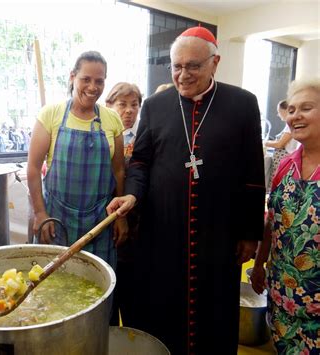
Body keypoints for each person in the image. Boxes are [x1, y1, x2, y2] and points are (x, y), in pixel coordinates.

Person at [106, 26, 266, 354]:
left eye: (193, 66)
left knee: (215, 306)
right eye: (176, 66)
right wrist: (133, 194)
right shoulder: (155, 105)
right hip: (164, 229)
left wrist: (250, 233)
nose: (183, 74)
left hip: (218, 232)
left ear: (214, 62)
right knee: (164, 303)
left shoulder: (243, 103)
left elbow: (253, 172)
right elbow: (139, 163)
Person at [27, 51, 127, 269]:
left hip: (100, 223)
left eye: (99, 81)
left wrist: (120, 217)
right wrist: (40, 212)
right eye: (86, 79)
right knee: (51, 286)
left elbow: (118, 171)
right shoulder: (51, 114)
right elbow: (33, 169)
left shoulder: (112, 119)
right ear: (72, 77)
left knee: (97, 287)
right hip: (56, 220)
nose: (93, 87)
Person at [251, 78, 320, 354]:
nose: (295, 116)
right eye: (291, 109)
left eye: (307, 107)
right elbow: (272, 221)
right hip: (283, 299)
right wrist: (258, 265)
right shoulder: (286, 166)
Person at [105, 82, 142, 326]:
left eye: (134, 105)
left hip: (137, 220)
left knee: (132, 284)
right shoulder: (103, 136)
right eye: (122, 105)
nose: (129, 111)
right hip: (107, 216)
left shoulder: (144, 137)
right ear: (109, 106)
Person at [265, 99, 299, 192]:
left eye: (279, 111)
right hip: (282, 159)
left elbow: (280, 144)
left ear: (286, 110)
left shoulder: (290, 124)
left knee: (279, 186)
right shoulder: (289, 124)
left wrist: (265, 143)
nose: (278, 114)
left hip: (285, 158)